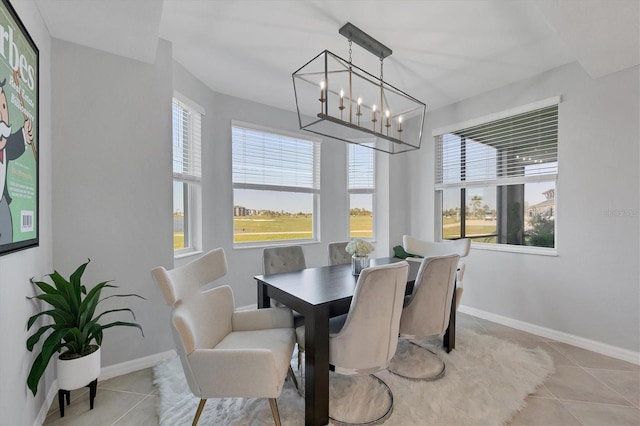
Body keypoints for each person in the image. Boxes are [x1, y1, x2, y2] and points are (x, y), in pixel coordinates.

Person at [0, 77, 34, 244]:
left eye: (3, 108)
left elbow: (10, 145)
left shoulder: (4, 144)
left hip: (3, 202)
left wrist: (23, 134)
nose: (2, 118)